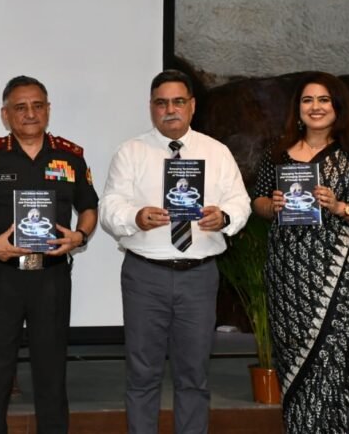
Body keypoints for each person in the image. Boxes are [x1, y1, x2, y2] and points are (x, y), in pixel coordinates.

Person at [250, 72, 349, 433]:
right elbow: (257, 201)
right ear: (297, 109)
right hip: (288, 278)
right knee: (295, 363)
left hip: (339, 281)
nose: (315, 107)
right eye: (307, 100)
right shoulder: (277, 154)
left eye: (323, 100)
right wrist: (272, 206)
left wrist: (340, 207)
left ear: (338, 106)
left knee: (335, 364)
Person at [99, 69, 250, 434]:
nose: (170, 110)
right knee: (142, 374)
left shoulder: (216, 152)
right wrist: (135, 216)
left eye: (178, 102)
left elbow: (240, 202)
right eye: (161, 103)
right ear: (151, 107)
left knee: (194, 375)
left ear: (192, 106)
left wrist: (224, 217)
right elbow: (109, 207)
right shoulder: (131, 152)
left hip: (199, 276)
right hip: (145, 275)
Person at [0, 75, 98, 434]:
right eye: (20, 107)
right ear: (6, 115)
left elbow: (90, 208)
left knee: (51, 369)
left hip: (52, 276)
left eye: (37, 105)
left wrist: (79, 235)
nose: (30, 113)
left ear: (48, 110)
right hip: (2, 276)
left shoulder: (70, 156)